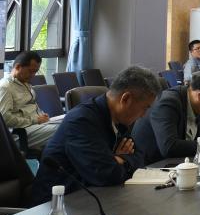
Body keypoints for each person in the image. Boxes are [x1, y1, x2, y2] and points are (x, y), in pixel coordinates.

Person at [31, 67, 159, 204]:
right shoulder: (81, 121)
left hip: (93, 196)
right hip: (57, 205)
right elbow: (107, 174)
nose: (143, 115)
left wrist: (118, 159)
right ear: (126, 99)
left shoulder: (119, 120)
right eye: (145, 107)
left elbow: (139, 156)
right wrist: (116, 160)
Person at [132, 69, 200, 164]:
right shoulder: (168, 103)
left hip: (175, 165)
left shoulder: (194, 105)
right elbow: (169, 147)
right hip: (149, 167)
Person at [0, 50, 58, 150]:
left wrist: (41, 115)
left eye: (35, 71)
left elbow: (30, 108)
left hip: (37, 125)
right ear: (18, 67)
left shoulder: (25, 84)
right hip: (21, 133)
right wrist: (36, 120)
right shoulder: (6, 87)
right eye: (31, 71)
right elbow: (5, 119)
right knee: (67, 128)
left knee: (72, 119)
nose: (33, 75)